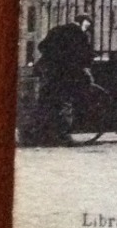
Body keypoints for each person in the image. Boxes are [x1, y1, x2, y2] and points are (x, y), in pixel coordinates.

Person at [34, 14, 95, 143]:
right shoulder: (80, 35)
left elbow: (42, 46)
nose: (87, 28)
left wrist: (53, 57)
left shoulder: (56, 30)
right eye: (87, 25)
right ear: (82, 23)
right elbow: (85, 57)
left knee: (46, 101)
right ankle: (64, 135)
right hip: (67, 73)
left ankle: (42, 134)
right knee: (65, 102)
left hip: (49, 71)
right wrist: (85, 71)